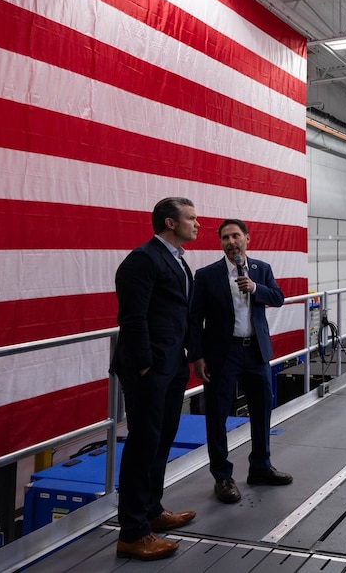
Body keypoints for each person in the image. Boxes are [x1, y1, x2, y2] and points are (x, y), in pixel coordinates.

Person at [111, 197, 199, 560]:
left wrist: (189, 357)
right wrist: (147, 365)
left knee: (162, 440)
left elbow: (181, 314)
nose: (197, 224)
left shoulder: (178, 260)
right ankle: (132, 533)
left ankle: (151, 510)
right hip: (148, 368)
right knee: (143, 444)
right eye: (191, 218)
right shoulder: (143, 259)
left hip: (172, 364)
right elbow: (133, 317)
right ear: (169, 223)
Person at [189, 218, 292, 504]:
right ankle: (222, 476)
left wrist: (256, 288)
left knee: (261, 410)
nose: (231, 242)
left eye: (236, 236)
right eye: (225, 238)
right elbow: (195, 319)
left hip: (256, 351)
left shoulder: (261, 270)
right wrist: (196, 356)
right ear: (220, 243)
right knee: (217, 415)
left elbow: (279, 297)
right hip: (223, 354)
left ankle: (260, 467)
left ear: (247, 238)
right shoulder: (207, 275)